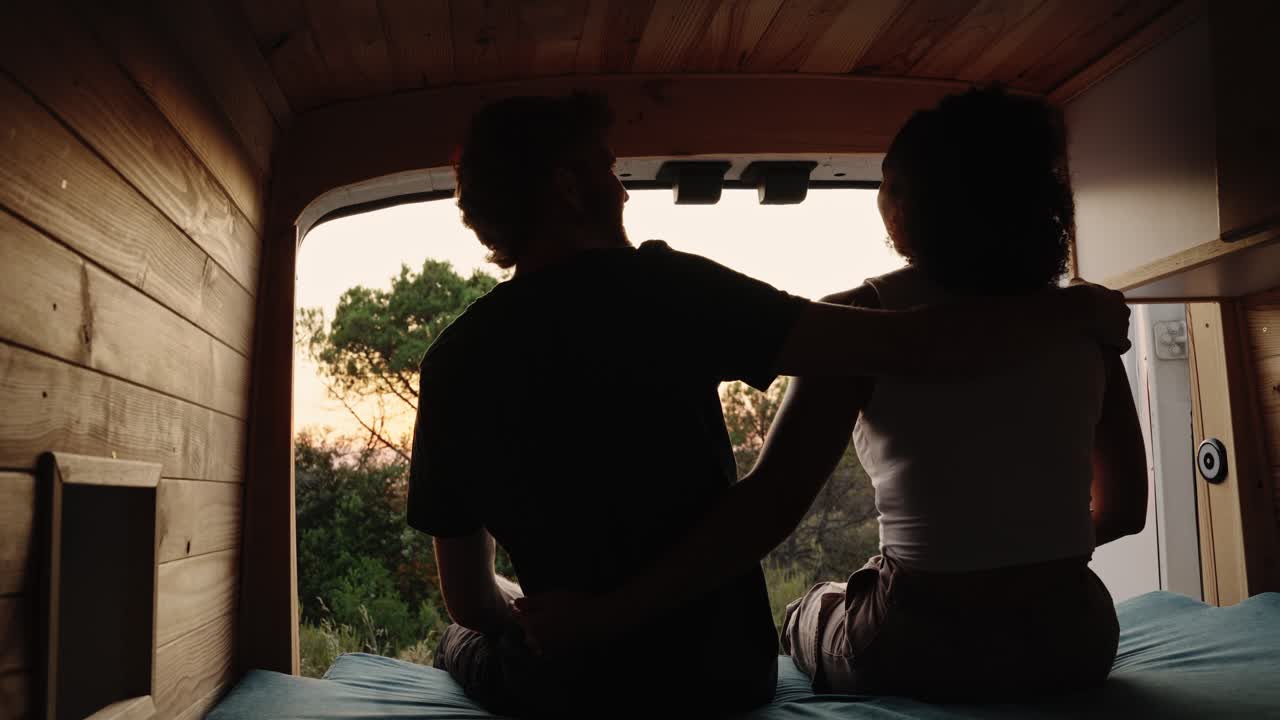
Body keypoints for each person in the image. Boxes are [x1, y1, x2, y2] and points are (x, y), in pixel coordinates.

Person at [410, 91, 1131, 717]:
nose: (623, 190)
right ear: (569, 189)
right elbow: (917, 349)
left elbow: (471, 598)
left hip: (573, 681)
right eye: (608, 168)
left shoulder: (451, 364)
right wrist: (1077, 311)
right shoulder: (670, 290)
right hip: (722, 673)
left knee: (461, 635)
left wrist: (562, 619)